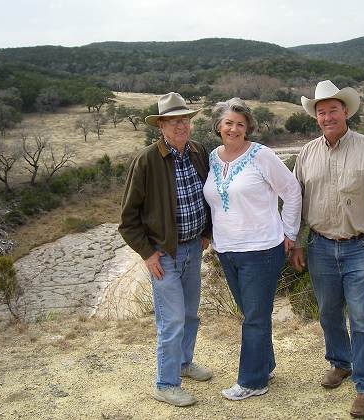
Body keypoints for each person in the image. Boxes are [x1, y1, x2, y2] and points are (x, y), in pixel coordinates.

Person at [291, 80, 364, 418]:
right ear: (316, 117)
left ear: (345, 112)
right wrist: (295, 241)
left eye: (333, 110)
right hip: (320, 246)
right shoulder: (307, 153)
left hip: (360, 247)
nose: (327, 117)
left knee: (362, 316)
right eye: (321, 112)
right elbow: (295, 201)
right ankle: (341, 363)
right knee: (328, 312)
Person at [203, 98, 302, 401]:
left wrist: (289, 231)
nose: (234, 128)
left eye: (240, 124)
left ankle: (252, 381)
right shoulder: (212, 158)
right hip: (226, 250)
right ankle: (265, 365)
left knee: (255, 318)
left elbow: (292, 191)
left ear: (248, 128)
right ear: (218, 126)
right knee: (252, 314)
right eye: (228, 123)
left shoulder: (262, 156)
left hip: (261, 250)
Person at [118, 92, 213, 407]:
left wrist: (207, 232)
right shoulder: (146, 161)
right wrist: (147, 253)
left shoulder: (199, 152)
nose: (181, 125)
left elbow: (210, 195)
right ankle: (165, 383)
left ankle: (184, 364)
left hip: (193, 248)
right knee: (171, 320)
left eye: (185, 119)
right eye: (173, 121)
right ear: (161, 126)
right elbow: (128, 220)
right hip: (164, 255)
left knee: (189, 314)